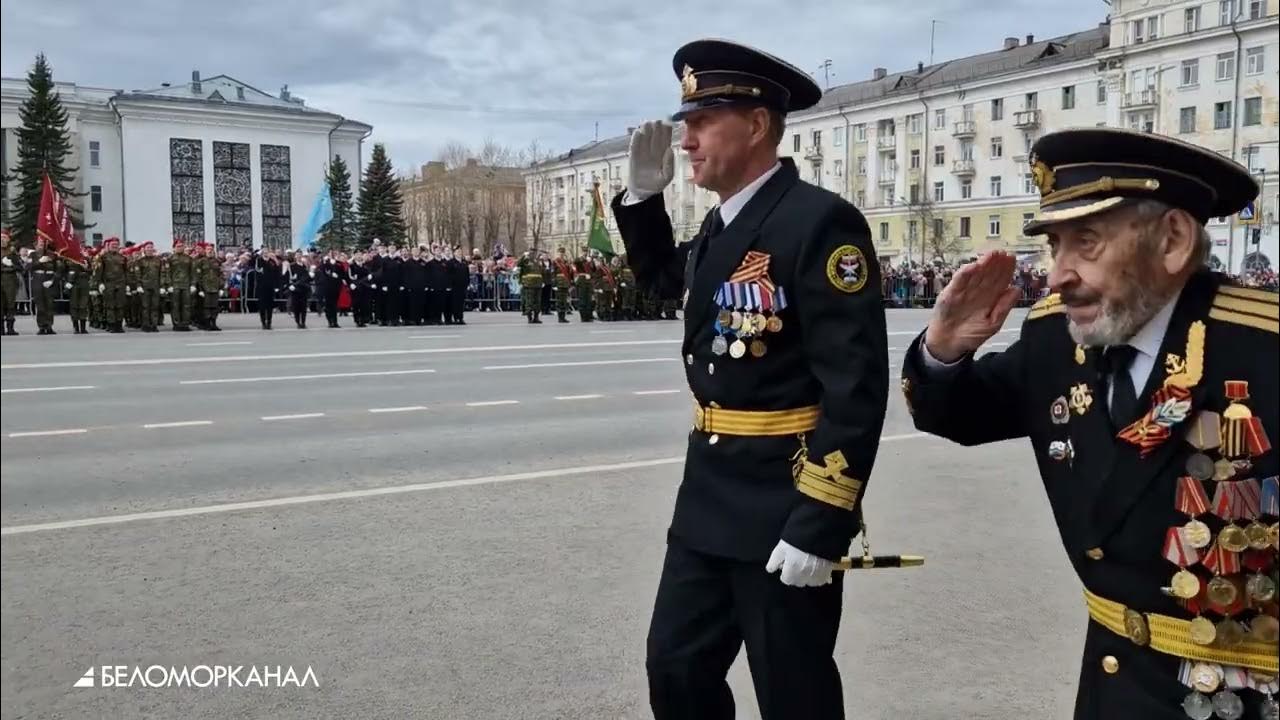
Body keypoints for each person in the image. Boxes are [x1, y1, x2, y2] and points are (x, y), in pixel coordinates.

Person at [901, 128, 1277, 720]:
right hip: (1109, 688)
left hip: (1241, 695)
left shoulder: (1261, 349)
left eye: (1087, 242)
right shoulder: (1056, 336)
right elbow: (961, 413)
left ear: (1173, 240)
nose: (1056, 275)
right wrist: (944, 347)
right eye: (1055, 245)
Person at [612, 40, 889, 720]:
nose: (685, 140)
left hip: (781, 502)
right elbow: (661, 283)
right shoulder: (721, 224)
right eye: (685, 123)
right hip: (708, 495)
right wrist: (643, 201)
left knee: (792, 688)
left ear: (758, 124)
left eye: (703, 121)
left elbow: (855, 387)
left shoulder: (818, 222)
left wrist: (822, 521)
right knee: (675, 669)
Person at [94, 237, 128, 333]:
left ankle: (119, 325)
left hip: (120, 284)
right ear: (108, 246)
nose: (115, 246)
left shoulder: (122, 258)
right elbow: (99, 271)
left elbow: (126, 271)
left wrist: (127, 284)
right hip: (108, 284)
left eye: (116, 245)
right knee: (110, 306)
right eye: (112, 245)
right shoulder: (103, 257)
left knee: (120, 305)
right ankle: (111, 325)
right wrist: (100, 283)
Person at [132, 241, 166, 332]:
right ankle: (146, 325)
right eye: (148, 248)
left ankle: (154, 325)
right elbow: (137, 274)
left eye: (151, 247)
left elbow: (162, 274)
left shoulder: (158, 260)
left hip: (155, 286)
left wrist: (162, 286)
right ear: (144, 249)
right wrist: (139, 285)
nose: (150, 249)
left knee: (155, 306)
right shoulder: (140, 261)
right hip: (145, 286)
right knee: (145, 307)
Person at [30, 236, 60, 334]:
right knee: (40, 305)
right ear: (36, 244)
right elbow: (27, 267)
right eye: (40, 242)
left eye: (44, 242)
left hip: (49, 280)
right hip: (38, 280)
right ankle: (42, 326)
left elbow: (59, 270)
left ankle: (49, 326)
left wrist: (52, 280)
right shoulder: (33, 255)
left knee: (50, 305)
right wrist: (39, 261)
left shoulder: (52, 255)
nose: (42, 244)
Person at [166, 239, 196, 331]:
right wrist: (169, 285)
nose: (180, 248)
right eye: (178, 246)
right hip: (175, 285)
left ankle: (185, 324)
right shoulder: (170, 258)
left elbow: (193, 273)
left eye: (182, 246)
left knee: (186, 305)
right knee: (175, 306)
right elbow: (167, 272)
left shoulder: (189, 258)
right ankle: (176, 324)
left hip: (186, 285)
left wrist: (193, 284)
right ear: (174, 248)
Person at [254, 247, 282, 330]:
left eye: (267, 252)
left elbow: (277, 274)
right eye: (264, 252)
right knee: (262, 306)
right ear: (262, 253)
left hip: (270, 286)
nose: (266, 253)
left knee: (270, 306)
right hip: (262, 286)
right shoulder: (258, 260)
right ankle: (263, 322)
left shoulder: (272, 262)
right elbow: (257, 271)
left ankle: (269, 322)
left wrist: (276, 286)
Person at [1, 230, 23, 335]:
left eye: (4, 237)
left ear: (8, 239)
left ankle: (10, 328)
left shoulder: (12, 252)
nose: (2, 240)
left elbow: (21, 267)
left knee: (10, 304)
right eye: (1, 237)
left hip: (10, 279)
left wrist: (11, 265)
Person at [283, 251, 312, 329]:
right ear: (295, 257)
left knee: (303, 307)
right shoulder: (292, 266)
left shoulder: (304, 266)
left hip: (303, 289)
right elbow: (288, 277)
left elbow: (308, 278)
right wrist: (289, 285)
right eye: (297, 255)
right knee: (296, 307)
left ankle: (303, 322)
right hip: (295, 289)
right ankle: (298, 322)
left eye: (300, 255)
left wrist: (311, 275)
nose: (299, 257)